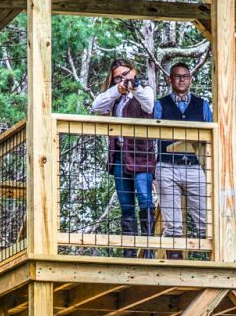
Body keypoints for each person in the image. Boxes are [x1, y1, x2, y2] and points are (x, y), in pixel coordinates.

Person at [91, 59, 157, 254]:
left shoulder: (145, 90)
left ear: (133, 72)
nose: (122, 79)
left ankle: (148, 250)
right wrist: (116, 89)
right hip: (120, 156)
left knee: (145, 200)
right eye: (117, 77)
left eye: (125, 74)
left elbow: (149, 104)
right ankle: (129, 251)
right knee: (126, 205)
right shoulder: (115, 98)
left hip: (141, 156)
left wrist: (133, 86)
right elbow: (96, 105)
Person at [152, 62, 212, 260]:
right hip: (166, 167)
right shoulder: (160, 105)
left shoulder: (202, 105)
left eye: (185, 76)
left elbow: (211, 137)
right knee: (173, 224)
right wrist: (153, 169)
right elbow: (153, 137)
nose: (181, 79)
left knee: (205, 219)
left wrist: (210, 168)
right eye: (177, 76)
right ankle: (175, 264)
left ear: (191, 79)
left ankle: (212, 262)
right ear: (170, 79)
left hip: (195, 167)